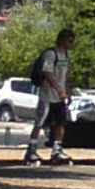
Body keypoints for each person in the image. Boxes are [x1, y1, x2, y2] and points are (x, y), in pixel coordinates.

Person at [23, 26, 78, 166]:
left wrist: (66, 90)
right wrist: (58, 89)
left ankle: (57, 150)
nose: (71, 44)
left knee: (61, 123)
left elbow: (64, 75)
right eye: (69, 41)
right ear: (62, 40)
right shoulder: (51, 54)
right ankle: (31, 150)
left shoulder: (65, 55)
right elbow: (48, 73)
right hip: (48, 95)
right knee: (40, 122)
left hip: (59, 97)